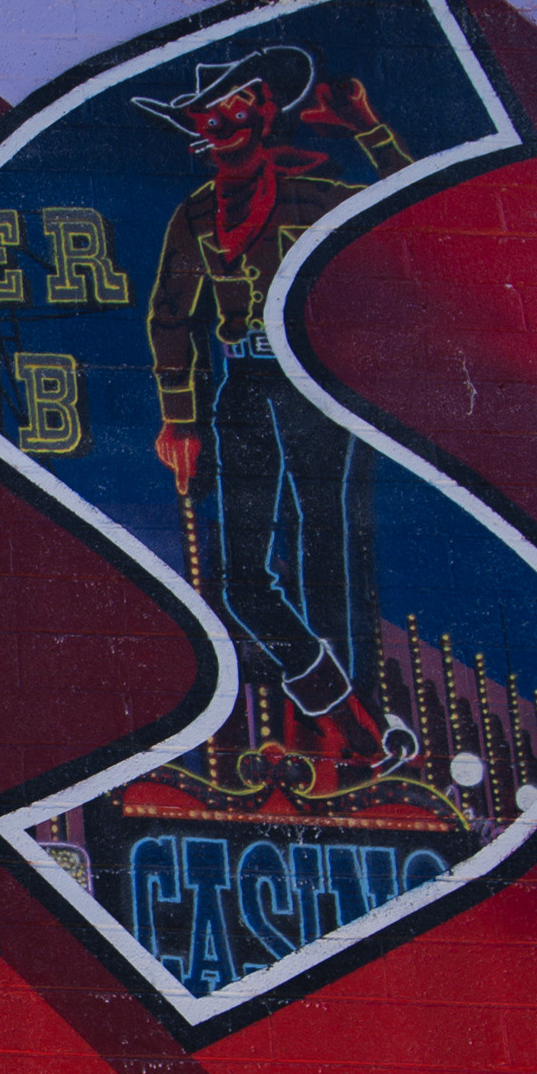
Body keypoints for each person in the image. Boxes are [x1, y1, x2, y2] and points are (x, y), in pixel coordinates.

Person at [137, 47, 411, 790]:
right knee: (242, 581)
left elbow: (416, 214)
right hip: (245, 387)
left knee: (331, 549)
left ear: (262, 113)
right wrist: (181, 418)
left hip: (318, 386)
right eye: (205, 115)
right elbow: (170, 316)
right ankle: (349, 718)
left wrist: (367, 126)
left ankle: (357, 739)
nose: (216, 122)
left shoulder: (314, 195)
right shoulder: (196, 213)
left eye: (232, 107)